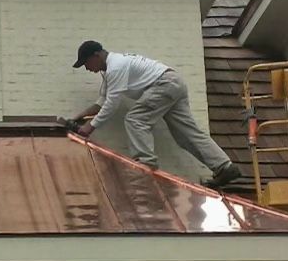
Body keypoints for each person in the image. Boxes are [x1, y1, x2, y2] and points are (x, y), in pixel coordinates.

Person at [70, 40, 240, 189]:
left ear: (96, 55)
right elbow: (102, 102)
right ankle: (224, 167)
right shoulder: (112, 70)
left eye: (86, 63)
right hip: (173, 82)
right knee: (185, 134)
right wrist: (79, 118)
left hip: (163, 84)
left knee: (135, 119)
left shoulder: (116, 67)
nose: (86, 68)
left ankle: (145, 164)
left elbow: (112, 105)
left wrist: (90, 127)